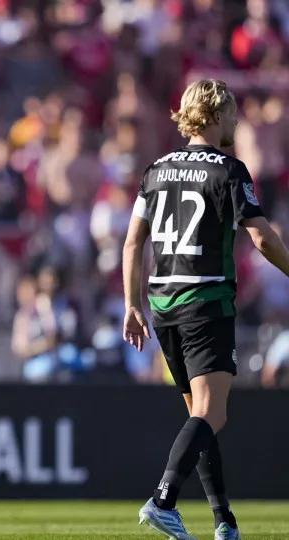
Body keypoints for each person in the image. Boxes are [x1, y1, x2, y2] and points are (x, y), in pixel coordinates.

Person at [123, 79, 289, 540]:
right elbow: (260, 237)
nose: (236, 122)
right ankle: (163, 500)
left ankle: (223, 521)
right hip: (206, 300)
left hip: (162, 305)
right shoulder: (229, 169)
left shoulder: (157, 168)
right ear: (216, 115)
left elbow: (134, 241)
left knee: (199, 416)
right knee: (212, 414)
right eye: (233, 113)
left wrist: (130, 304)